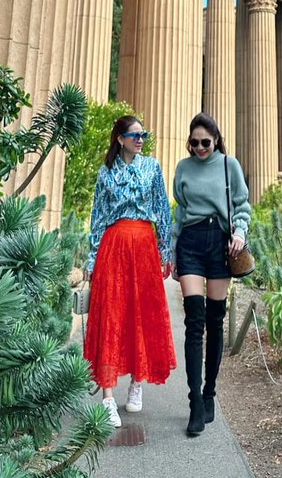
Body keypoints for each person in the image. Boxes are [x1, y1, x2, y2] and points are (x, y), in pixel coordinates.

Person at [84, 115, 176, 428]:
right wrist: (91, 258)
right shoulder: (106, 171)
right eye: (135, 135)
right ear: (120, 138)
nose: (140, 139)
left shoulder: (152, 167)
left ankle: (137, 383)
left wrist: (166, 252)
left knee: (142, 314)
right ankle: (108, 397)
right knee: (111, 314)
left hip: (144, 246)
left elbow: (163, 210)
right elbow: (97, 216)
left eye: (143, 135)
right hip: (114, 244)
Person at [171, 112, 251, 437]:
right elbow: (180, 211)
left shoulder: (229, 165)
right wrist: (172, 251)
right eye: (195, 142)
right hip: (190, 242)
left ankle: (209, 394)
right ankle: (193, 403)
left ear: (216, 140)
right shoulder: (183, 168)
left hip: (221, 244)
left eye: (206, 142)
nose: (200, 147)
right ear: (189, 142)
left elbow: (243, 206)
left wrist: (240, 233)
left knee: (215, 322)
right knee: (194, 322)